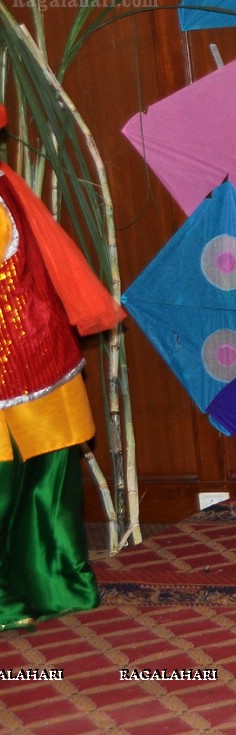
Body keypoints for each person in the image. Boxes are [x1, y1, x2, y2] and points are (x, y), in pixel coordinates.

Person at [0, 103, 125, 631]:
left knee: (48, 479)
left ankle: (56, 587)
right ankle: (13, 599)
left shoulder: (7, 187)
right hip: (23, 362)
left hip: (37, 353)